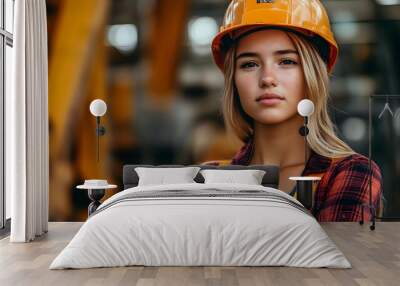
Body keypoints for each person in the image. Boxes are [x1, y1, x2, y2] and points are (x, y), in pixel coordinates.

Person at [205, 0, 382, 222]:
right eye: (249, 64)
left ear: (312, 74)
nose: (267, 78)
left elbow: (336, 256)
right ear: (233, 80)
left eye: (286, 61)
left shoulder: (349, 173)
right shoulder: (207, 177)